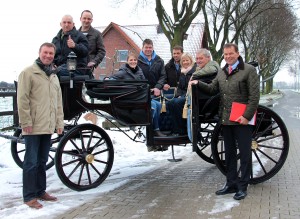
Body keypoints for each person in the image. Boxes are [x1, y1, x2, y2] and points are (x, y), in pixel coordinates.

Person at [189, 43, 260, 200]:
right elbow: (213, 89)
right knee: (229, 154)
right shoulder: (221, 72)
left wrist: (247, 116)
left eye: (231, 54)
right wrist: (198, 83)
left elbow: (254, 97)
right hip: (226, 119)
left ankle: (243, 186)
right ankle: (231, 183)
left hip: (242, 119)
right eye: (225, 54)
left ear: (237, 53)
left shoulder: (248, 70)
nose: (228, 57)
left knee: (245, 154)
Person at [17, 43, 64, 209]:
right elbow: (22, 99)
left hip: (47, 125)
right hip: (33, 125)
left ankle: (40, 191)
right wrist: (26, 122)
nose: (48, 56)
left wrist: (59, 123)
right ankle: (29, 196)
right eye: (46, 52)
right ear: (39, 53)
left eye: (51, 53)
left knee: (42, 160)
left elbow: (58, 103)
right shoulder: (28, 73)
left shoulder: (53, 76)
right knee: (30, 162)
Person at [137, 39, 166, 144]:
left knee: (158, 107)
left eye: (150, 47)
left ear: (153, 48)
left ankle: (156, 133)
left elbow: (163, 76)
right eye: (146, 47)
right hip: (143, 92)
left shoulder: (159, 60)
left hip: (156, 92)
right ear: (142, 48)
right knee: (152, 109)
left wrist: (158, 87)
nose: (148, 49)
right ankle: (152, 134)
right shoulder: (137, 60)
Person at [167, 52, 197, 135]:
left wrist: (183, 96)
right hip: (183, 95)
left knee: (176, 103)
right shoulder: (182, 72)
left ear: (191, 61)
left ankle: (181, 129)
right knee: (170, 103)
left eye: (187, 60)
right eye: (183, 61)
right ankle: (174, 128)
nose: (185, 62)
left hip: (191, 96)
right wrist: (179, 95)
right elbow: (180, 87)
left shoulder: (194, 72)